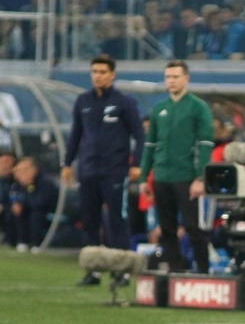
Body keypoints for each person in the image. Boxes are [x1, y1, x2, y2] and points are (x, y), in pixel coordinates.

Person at [62, 53, 145, 287]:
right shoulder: (83, 101)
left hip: (114, 171)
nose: (97, 76)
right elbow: (76, 135)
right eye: (94, 72)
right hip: (88, 170)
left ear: (112, 75)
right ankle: (93, 270)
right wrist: (67, 163)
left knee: (117, 220)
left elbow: (139, 135)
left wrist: (136, 164)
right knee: (89, 221)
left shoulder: (124, 102)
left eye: (102, 72)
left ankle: (122, 271)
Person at [139, 60, 214, 274]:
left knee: (193, 227)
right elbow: (150, 145)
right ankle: (175, 272)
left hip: (186, 177)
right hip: (161, 176)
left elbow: (205, 144)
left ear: (186, 78)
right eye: (168, 77)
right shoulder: (159, 109)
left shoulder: (198, 107)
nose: (171, 81)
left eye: (175, 77)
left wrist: (200, 178)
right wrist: (144, 177)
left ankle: (203, 271)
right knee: (167, 228)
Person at [10, 157, 59, 253]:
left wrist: (24, 201)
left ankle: (37, 243)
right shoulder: (17, 185)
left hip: (49, 212)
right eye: (19, 171)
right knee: (15, 212)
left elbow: (41, 203)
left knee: (36, 215)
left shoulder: (45, 182)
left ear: (34, 169)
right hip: (30, 210)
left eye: (25, 170)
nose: (22, 173)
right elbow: (15, 197)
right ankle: (21, 241)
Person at [0, 147, 17, 246]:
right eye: (4, 162)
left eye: (10, 162)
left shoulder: (16, 180)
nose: (7, 165)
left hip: (8, 207)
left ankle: (10, 241)